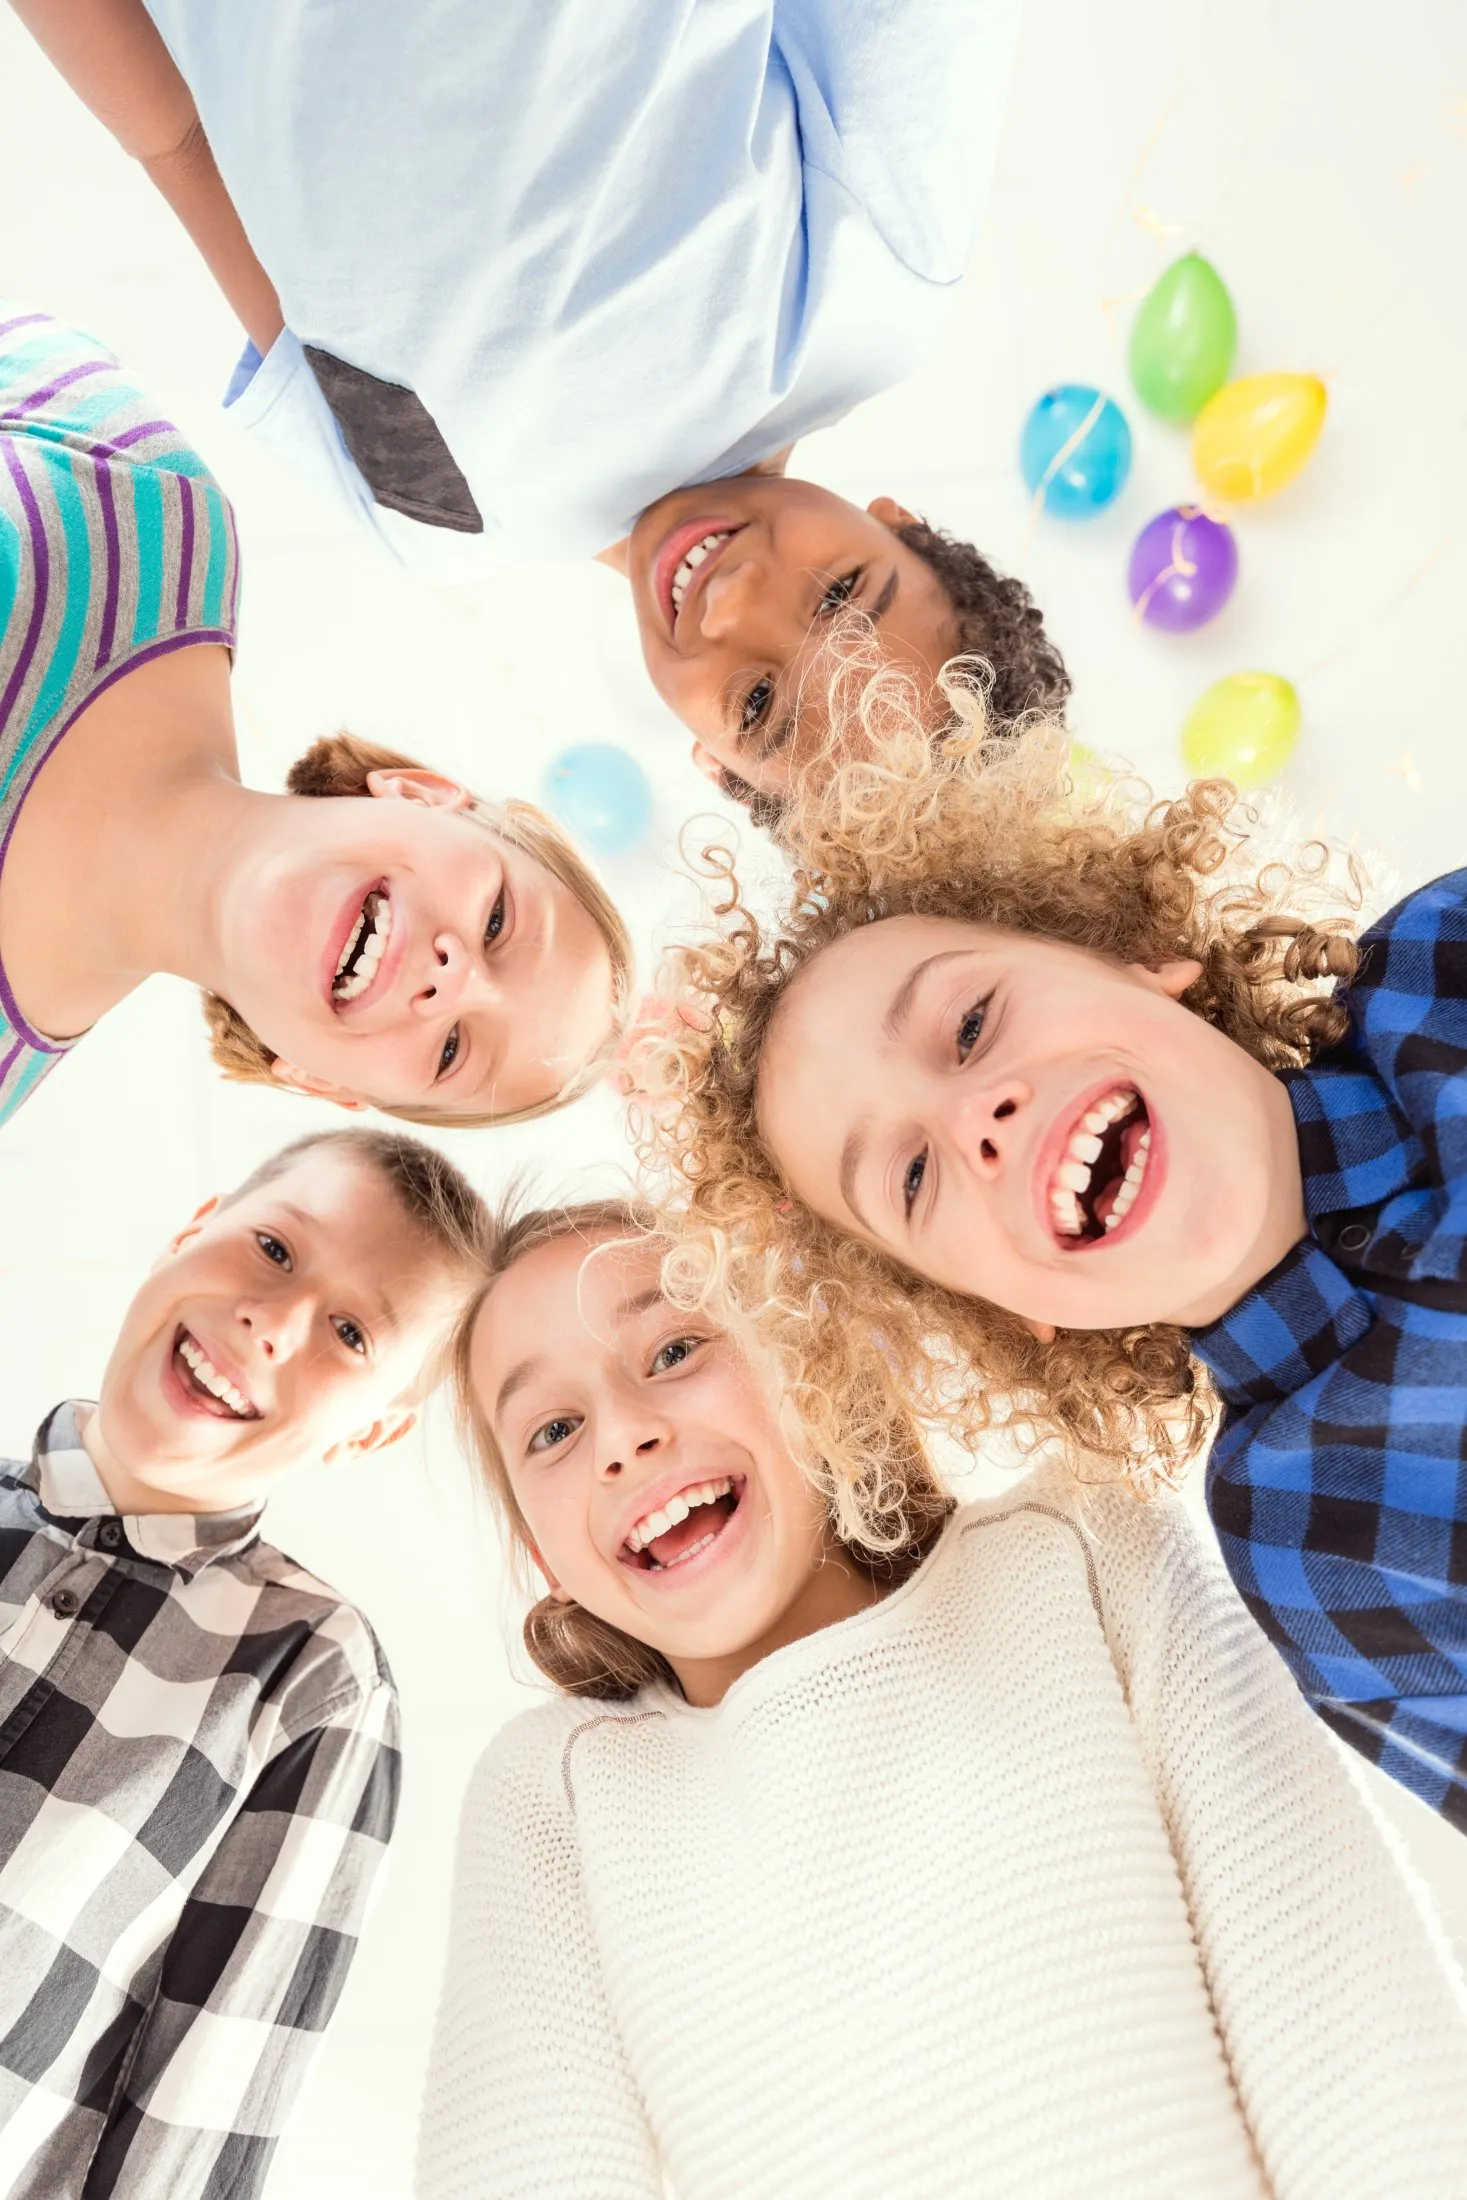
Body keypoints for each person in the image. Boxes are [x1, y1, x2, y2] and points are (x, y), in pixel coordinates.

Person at [415, 1195, 1467, 2200]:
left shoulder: (1090, 1548)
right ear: (540, 1554)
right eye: (550, 1430)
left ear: (805, 1359)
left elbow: (1358, 2032)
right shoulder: (556, 1796)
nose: (621, 1436)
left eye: (676, 1350)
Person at [638, 697, 1467, 1828]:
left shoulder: (1442, 960)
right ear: (1008, 1310)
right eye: (914, 1179)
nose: (980, 1115)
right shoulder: (1303, 1535)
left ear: (1139, 960)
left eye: (972, 1023)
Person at [11, 0, 1071, 824]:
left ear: (711, 760)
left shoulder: (437, 535)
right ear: (907, 525)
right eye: (843, 594)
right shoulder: (866, 297)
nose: (742, 597)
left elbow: (183, 142)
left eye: (759, 708)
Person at [0, 1126, 491, 2199]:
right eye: (274, 1248)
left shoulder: (312, 1682)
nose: (274, 1322)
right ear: (193, 1229)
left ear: (370, 1433)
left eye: (353, 1331)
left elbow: (193, 2136)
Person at [0, 307, 632, 1131]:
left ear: (316, 1085)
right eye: (500, 919)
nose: (457, 981)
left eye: (451, 1053)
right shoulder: (144, 508)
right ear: (421, 792)